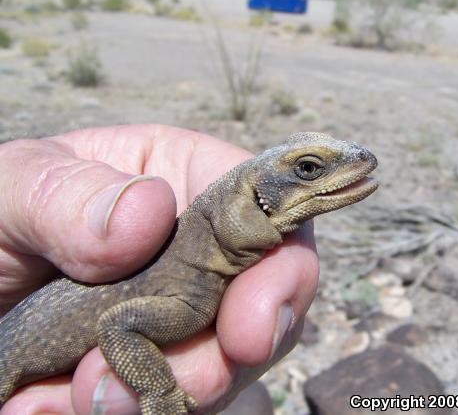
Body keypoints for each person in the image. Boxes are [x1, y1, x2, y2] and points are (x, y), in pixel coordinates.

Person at [0, 124, 319, 414]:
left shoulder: (198, 272)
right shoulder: (191, 285)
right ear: (255, 201)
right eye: (308, 169)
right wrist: (160, 392)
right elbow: (120, 325)